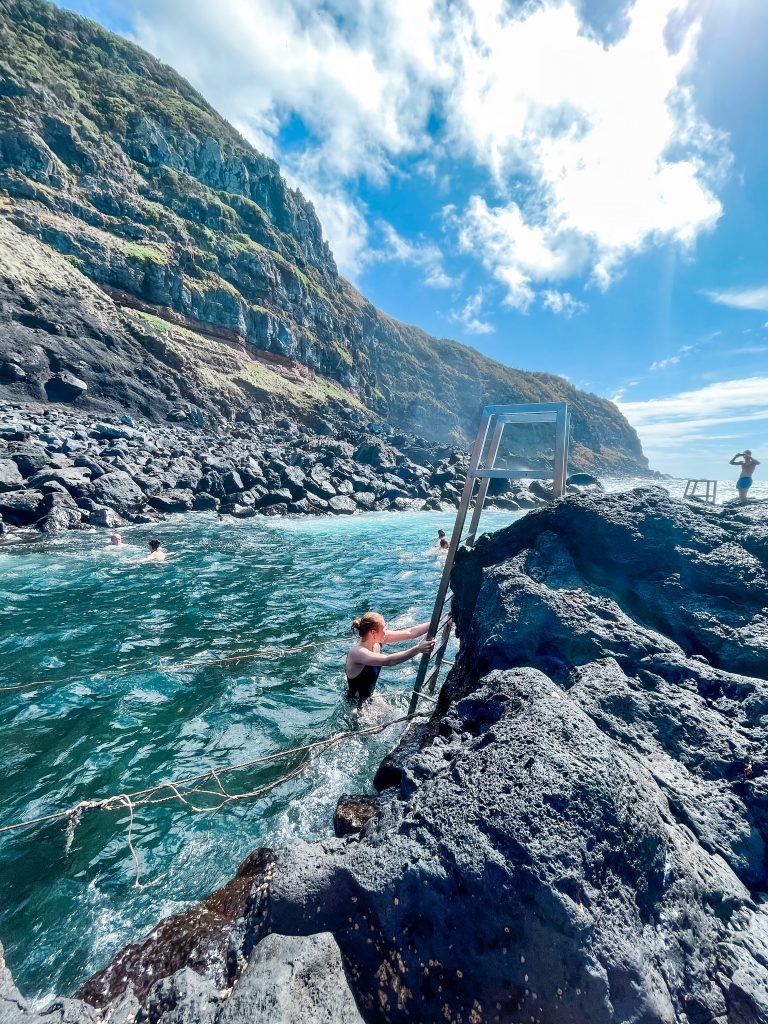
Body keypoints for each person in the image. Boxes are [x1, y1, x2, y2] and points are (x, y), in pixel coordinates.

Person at [345, 612, 435, 700]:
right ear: (373, 632)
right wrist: (418, 649)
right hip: (354, 705)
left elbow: (410, 632)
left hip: (370, 698)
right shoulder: (356, 652)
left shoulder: (377, 640)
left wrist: (440, 619)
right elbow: (388, 661)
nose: (386, 630)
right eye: (384, 627)